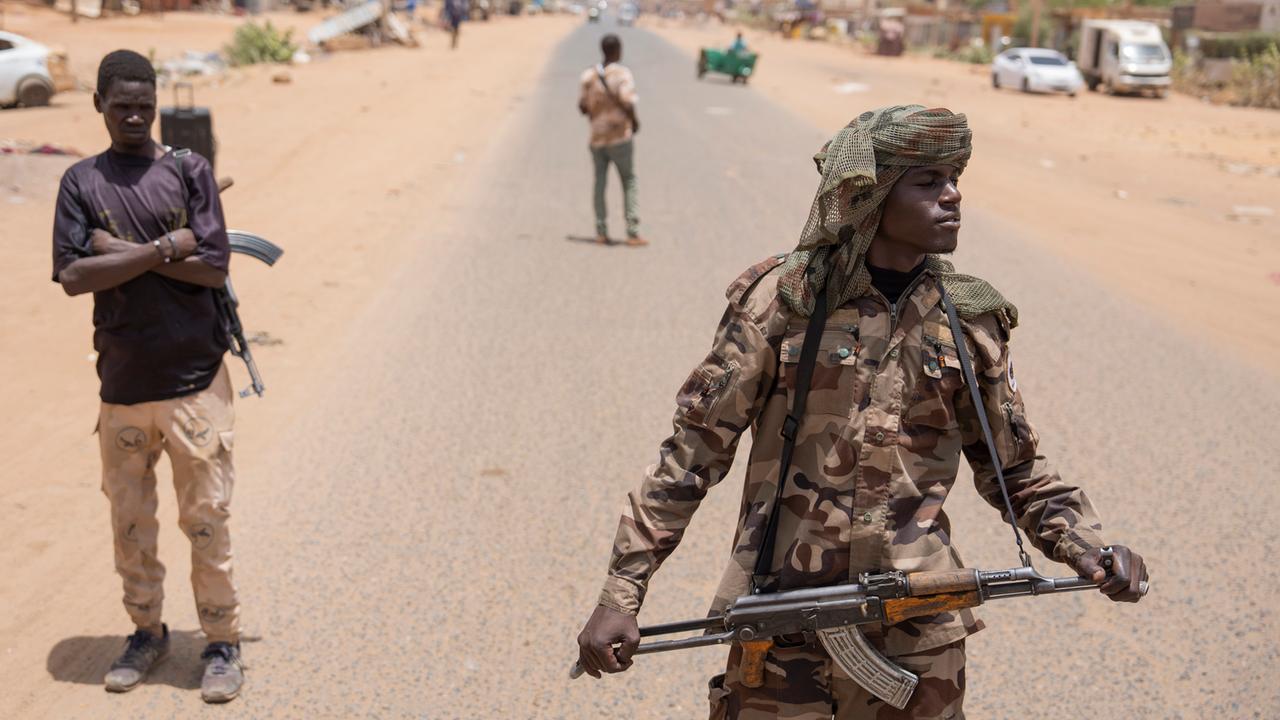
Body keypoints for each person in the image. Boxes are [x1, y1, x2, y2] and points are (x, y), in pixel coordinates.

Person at [575, 105, 1148, 718]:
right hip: (783, 630)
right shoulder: (785, 303)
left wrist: (1086, 546)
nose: (952, 196)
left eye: (955, 179)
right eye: (927, 182)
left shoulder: (968, 319)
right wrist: (622, 593)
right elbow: (692, 458)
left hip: (918, 630)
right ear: (870, 196)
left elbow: (1016, 471)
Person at [51, 50, 245, 704]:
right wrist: (168, 246)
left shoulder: (189, 171)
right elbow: (75, 278)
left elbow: (214, 267)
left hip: (195, 381)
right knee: (131, 527)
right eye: (120, 104)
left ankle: (221, 643)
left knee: (207, 522)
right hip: (124, 386)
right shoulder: (81, 181)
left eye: (144, 103)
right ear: (99, 106)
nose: (134, 115)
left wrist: (121, 253)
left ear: (157, 101)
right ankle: (146, 631)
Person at [578, 33, 645, 246]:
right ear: (618, 50)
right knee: (629, 181)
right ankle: (632, 232)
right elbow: (627, 101)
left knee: (600, 182)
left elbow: (582, 107)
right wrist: (634, 121)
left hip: (597, 137)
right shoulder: (623, 74)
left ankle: (601, 231)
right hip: (619, 137)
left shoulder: (589, 76)